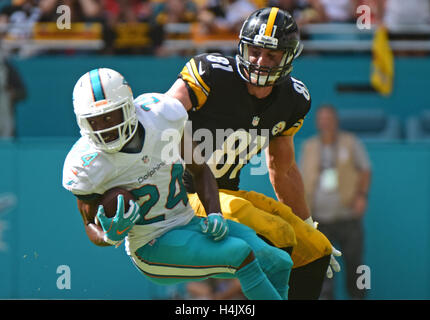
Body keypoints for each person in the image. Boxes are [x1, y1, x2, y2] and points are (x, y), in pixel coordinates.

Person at [62, 67, 293, 300]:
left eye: (110, 116)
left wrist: (214, 213)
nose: (105, 128)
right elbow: (90, 224)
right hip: (151, 247)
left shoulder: (163, 116)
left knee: (279, 262)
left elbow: (200, 170)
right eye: (95, 121)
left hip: (188, 222)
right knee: (240, 254)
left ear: (128, 107)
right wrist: (108, 236)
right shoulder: (85, 165)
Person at [166, 7, 341, 299]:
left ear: (288, 57)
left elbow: (282, 170)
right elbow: (163, 115)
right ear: (242, 48)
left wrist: (307, 224)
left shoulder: (293, 99)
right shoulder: (212, 75)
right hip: (182, 194)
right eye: (256, 51)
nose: (261, 61)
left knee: (315, 248)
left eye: (271, 55)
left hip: (227, 192)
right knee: (265, 225)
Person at [300, 105, 371, 300]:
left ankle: (360, 297)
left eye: (329, 118)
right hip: (320, 220)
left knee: (356, 265)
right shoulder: (309, 146)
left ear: (336, 120)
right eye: (321, 119)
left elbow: (365, 170)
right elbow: (300, 179)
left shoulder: (351, 142)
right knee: (322, 270)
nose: (325, 122)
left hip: (348, 217)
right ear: (317, 122)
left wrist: (362, 196)